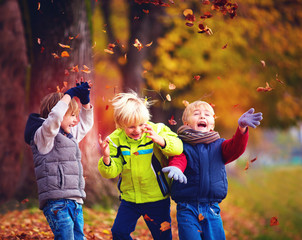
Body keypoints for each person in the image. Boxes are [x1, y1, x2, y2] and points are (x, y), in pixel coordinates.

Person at [162, 101, 263, 240]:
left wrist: (241, 128)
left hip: (211, 208)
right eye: (196, 114)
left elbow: (236, 148)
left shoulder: (219, 145)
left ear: (212, 125)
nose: (202, 117)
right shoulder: (181, 144)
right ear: (186, 123)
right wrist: (176, 168)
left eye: (207, 115)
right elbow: (179, 159)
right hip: (187, 208)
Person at [98, 91, 184, 240]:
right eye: (131, 127)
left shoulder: (157, 130)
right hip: (130, 199)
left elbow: (178, 147)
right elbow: (110, 172)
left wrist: (160, 140)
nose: (137, 130)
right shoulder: (115, 140)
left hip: (156, 198)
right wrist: (106, 157)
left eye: (141, 125)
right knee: (119, 232)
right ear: (121, 124)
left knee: (163, 236)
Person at [24, 80, 94, 240]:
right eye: (72, 115)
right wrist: (69, 95)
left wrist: (85, 103)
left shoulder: (68, 135)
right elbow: (54, 118)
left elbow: (85, 124)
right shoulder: (43, 136)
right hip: (57, 203)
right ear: (58, 113)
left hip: (75, 201)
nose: (76, 120)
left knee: (79, 237)